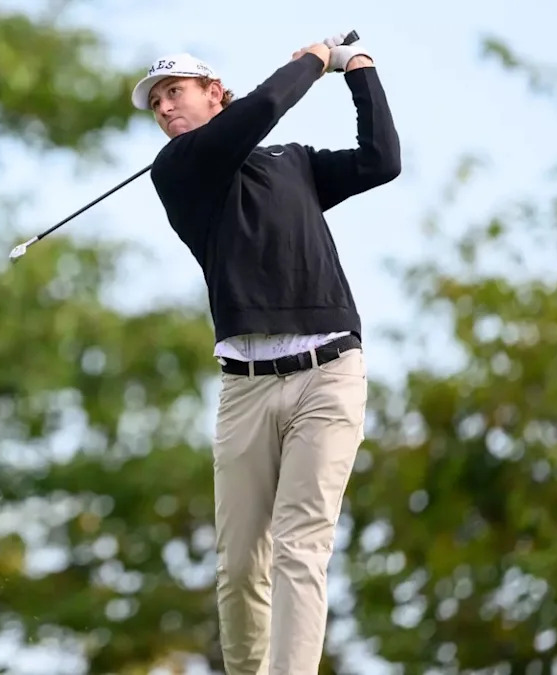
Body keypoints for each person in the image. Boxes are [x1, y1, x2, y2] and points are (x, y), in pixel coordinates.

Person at [131, 34, 401, 674]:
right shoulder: (177, 169)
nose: (164, 108)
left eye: (174, 92)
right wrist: (311, 60)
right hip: (245, 389)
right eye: (156, 102)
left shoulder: (292, 163)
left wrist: (359, 71)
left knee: (300, 547)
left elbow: (381, 161)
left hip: (329, 374)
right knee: (239, 565)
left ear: (212, 92)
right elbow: (261, 110)